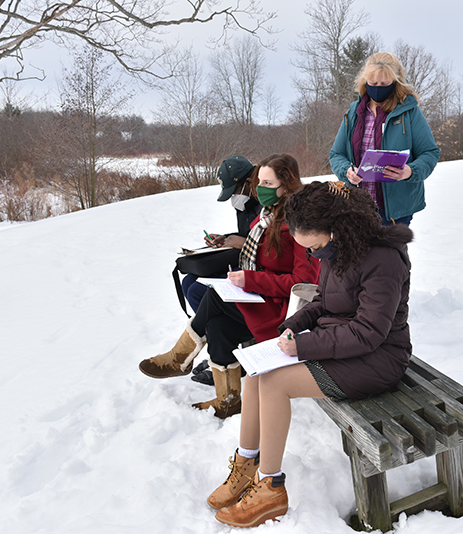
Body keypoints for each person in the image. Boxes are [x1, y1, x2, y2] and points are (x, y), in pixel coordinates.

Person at [208, 181, 413, 528]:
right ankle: (246, 464)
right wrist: (292, 324)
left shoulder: (382, 259)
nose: (315, 256)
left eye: (315, 247)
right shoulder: (339, 249)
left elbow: (369, 333)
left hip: (379, 359)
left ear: (338, 227)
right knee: (257, 372)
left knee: (274, 383)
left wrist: (302, 346)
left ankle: (271, 487)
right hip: (341, 344)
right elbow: (323, 300)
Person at [139, 154, 320, 419]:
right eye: (259, 182)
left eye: (267, 183)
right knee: (218, 325)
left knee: (213, 299)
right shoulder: (268, 215)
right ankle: (229, 400)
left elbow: (301, 284)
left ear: (287, 184)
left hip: (285, 311)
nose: (260, 189)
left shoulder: (300, 224)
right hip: (263, 299)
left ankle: (180, 357)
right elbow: (261, 257)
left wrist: (250, 280)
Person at [329, 52, 440, 226]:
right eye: (373, 83)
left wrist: (409, 172)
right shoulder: (353, 112)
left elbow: (430, 153)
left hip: (395, 212)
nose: (378, 87)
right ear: (365, 81)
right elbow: (336, 154)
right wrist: (347, 171)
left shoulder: (408, 112)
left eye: (384, 83)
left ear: (395, 82)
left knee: (389, 254)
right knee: (358, 253)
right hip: (357, 208)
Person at [181, 155, 262, 315]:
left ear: (248, 183)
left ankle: (221, 327)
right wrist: (225, 239)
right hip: (242, 259)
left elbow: (268, 244)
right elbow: (246, 233)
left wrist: (242, 242)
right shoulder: (246, 202)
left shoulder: (266, 202)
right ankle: (209, 327)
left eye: (234, 192)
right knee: (188, 281)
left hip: (259, 266)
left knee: (197, 290)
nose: (233, 198)